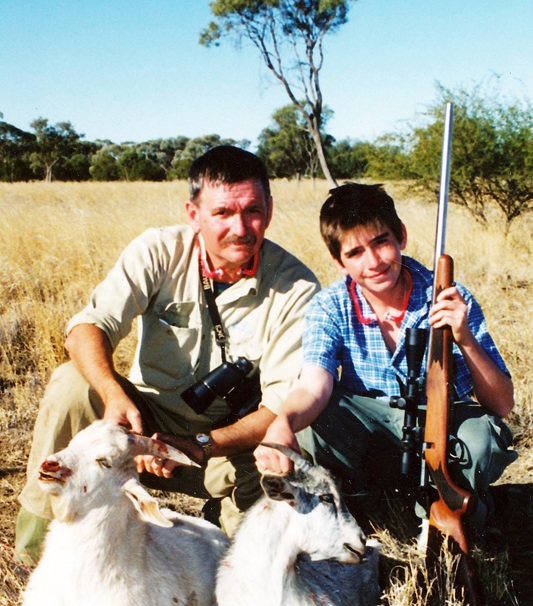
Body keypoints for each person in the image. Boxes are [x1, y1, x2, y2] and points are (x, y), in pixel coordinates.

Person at [16, 145, 320, 565]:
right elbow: (88, 328)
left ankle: (240, 562)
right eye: (223, 213)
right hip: (143, 424)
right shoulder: (158, 250)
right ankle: (35, 546)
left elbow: (278, 409)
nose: (241, 227)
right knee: (71, 384)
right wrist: (113, 395)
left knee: (279, 461)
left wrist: (198, 445)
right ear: (193, 214)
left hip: (224, 442)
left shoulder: (297, 287)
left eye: (252, 211)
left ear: (269, 211)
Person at [255, 182, 517, 534]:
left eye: (381, 242)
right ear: (338, 261)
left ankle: (453, 506)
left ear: (401, 237)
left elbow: (501, 404)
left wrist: (465, 338)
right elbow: (314, 384)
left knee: (482, 439)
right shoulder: (329, 305)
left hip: (439, 425)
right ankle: (368, 510)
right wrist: (283, 422)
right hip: (372, 430)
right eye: (355, 253)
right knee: (314, 425)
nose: (374, 262)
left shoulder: (449, 296)